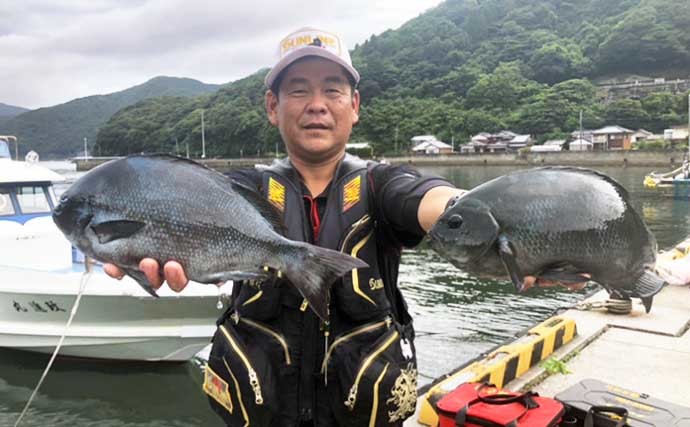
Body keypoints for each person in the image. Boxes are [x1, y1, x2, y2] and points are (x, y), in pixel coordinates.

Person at [104, 27, 580, 426]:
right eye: (298, 90)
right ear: (272, 106)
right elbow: (183, 208)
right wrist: (140, 245)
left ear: (354, 105)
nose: (317, 104)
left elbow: (430, 199)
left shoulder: (383, 184)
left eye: (332, 89)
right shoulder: (236, 191)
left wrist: (490, 220)